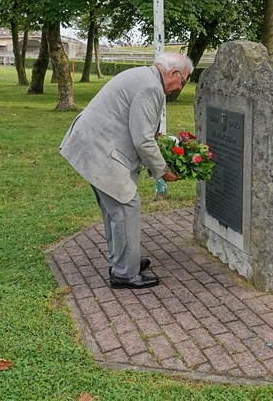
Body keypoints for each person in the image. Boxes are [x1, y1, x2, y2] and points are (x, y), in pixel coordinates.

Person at [60, 52, 194, 290]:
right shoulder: (151, 88)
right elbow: (143, 141)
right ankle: (125, 274)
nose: (179, 88)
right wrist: (163, 171)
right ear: (173, 73)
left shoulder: (144, 75)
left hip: (91, 144)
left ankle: (122, 262)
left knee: (115, 212)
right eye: (182, 81)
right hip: (101, 150)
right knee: (126, 208)